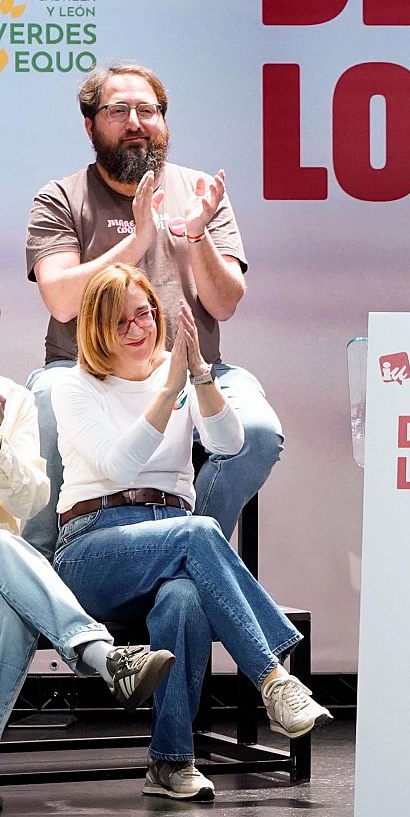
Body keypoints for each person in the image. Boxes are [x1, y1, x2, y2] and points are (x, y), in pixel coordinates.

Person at [49, 264, 331, 801]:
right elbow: (120, 464)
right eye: (121, 321)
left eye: (146, 314)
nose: (139, 329)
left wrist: (198, 375)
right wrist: (169, 390)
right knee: (198, 533)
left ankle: (170, 762)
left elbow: (227, 444)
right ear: (96, 329)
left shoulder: (177, 373)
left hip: (170, 538)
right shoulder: (73, 386)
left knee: (182, 598)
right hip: (92, 546)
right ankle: (274, 679)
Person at [26, 63, 282, 558]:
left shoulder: (202, 193)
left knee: (256, 432)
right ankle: (46, 569)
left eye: (147, 110)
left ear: (164, 121)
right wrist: (139, 239)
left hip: (192, 369)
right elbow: (60, 300)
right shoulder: (60, 197)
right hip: (88, 372)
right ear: (90, 126)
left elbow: (225, 303)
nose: (135, 122)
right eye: (118, 111)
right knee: (46, 401)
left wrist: (196, 233)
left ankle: (189, 554)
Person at [1, 347, 176, 727]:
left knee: (12, 615)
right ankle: (104, 657)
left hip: (7, 574)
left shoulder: (12, 399)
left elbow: (32, 502)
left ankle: (107, 662)